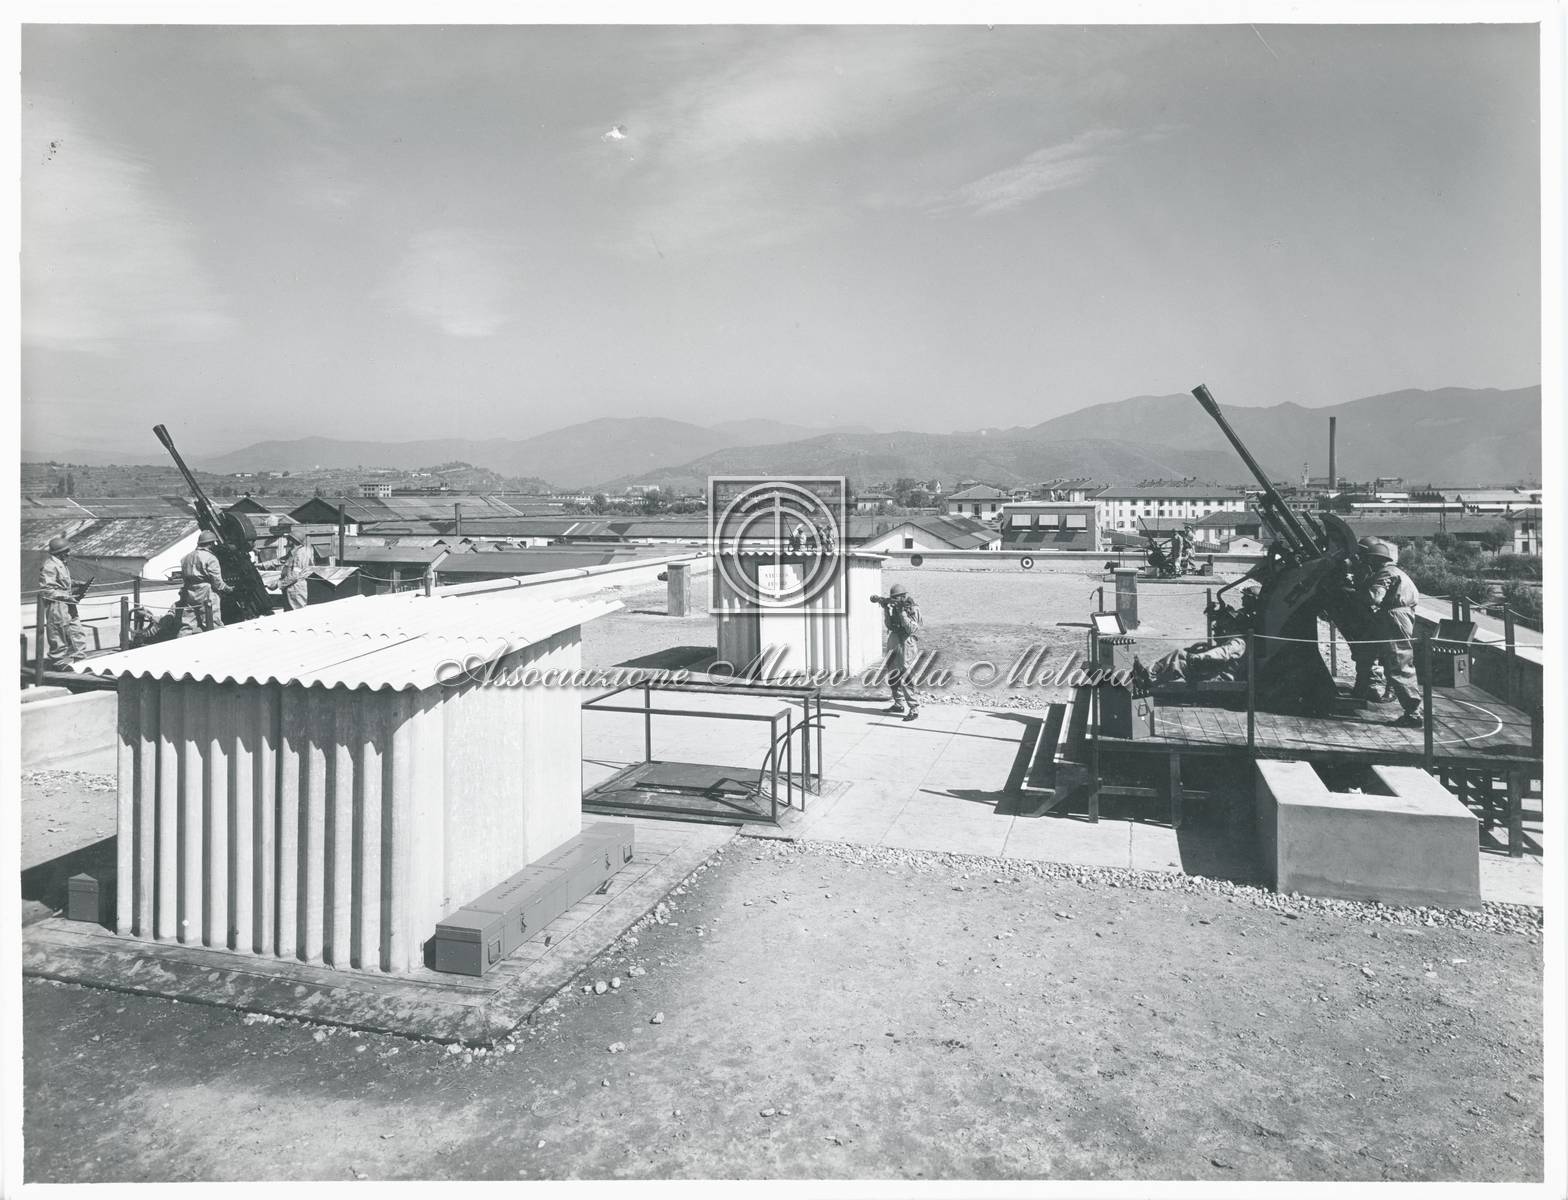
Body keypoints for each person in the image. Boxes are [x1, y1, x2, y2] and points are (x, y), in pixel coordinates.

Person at [1354, 537, 1424, 727]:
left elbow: (1374, 598)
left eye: (1366, 559)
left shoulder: (1385, 573)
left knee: (1399, 661)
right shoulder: (1397, 571)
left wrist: (1355, 591)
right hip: (1400, 615)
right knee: (1391, 658)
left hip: (1394, 617)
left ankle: (1413, 713)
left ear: (1374, 559)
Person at [38, 535, 90, 667]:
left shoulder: (61, 563)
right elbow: (47, 590)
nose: (69, 553)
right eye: (66, 551)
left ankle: (79, 659)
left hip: (68, 602)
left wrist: (78, 583)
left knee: (76, 629)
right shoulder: (49, 566)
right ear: (59, 552)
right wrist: (67, 597)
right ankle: (58, 662)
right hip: (57, 604)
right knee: (58, 632)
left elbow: (63, 582)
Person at [873, 583, 921, 721]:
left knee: (906, 675)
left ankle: (914, 708)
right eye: (893, 598)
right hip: (894, 640)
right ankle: (898, 703)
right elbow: (889, 625)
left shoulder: (913, 608)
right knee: (893, 674)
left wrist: (902, 612)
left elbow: (911, 629)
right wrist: (886, 609)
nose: (895, 600)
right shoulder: (894, 607)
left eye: (897, 597)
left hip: (906, 642)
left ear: (904, 596)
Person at [178, 529, 231, 635]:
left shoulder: (186, 558)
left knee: (188, 624)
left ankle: (182, 639)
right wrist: (227, 588)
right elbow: (216, 581)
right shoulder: (211, 558)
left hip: (190, 592)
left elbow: (184, 577)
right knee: (212, 623)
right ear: (211, 544)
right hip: (206, 592)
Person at [275, 523, 314, 611]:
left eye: (288, 538)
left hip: (296, 589)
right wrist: (262, 565)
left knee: (298, 613)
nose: (287, 540)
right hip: (290, 588)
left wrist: (279, 584)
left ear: (293, 540)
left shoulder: (300, 554)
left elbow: (294, 575)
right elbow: (281, 560)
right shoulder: (294, 552)